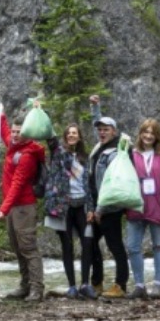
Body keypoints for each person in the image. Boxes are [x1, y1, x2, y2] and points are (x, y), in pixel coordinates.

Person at [44, 122, 103, 300]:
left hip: (82, 205)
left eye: (74, 133)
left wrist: (92, 208)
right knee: (67, 245)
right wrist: (42, 112)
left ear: (79, 136)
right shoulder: (59, 153)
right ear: (65, 136)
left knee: (87, 244)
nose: (71, 135)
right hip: (63, 206)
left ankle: (85, 284)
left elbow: (89, 185)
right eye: (68, 133)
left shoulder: (85, 157)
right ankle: (71, 286)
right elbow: (50, 138)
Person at [125, 119, 160, 299]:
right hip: (135, 206)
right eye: (145, 132)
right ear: (140, 133)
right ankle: (139, 285)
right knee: (133, 247)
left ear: (157, 136)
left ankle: (158, 284)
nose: (148, 136)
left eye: (152, 132)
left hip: (158, 206)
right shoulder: (131, 154)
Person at [0, 112, 46, 302]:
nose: (15, 135)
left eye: (20, 132)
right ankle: (24, 285)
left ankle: (36, 288)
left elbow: (17, 184)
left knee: (28, 248)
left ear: (28, 133)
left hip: (24, 206)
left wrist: (3, 208)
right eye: (15, 131)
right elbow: (4, 132)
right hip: (12, 207)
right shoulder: (13, 145)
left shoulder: (28, 154)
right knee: (17, 247)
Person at [88, 102, 130, 299]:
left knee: (115, 246)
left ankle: (120, 285)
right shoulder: (100, 146)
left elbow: (111, 183)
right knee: (91, 243)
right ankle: (96, 282)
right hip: (96, 206)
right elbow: (91, 180)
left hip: (110, 207)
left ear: (114, 131)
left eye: (106, 129)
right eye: (100, 129)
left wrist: (100, 209)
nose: (102, 132)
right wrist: (95, 108)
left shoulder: (116, 152)